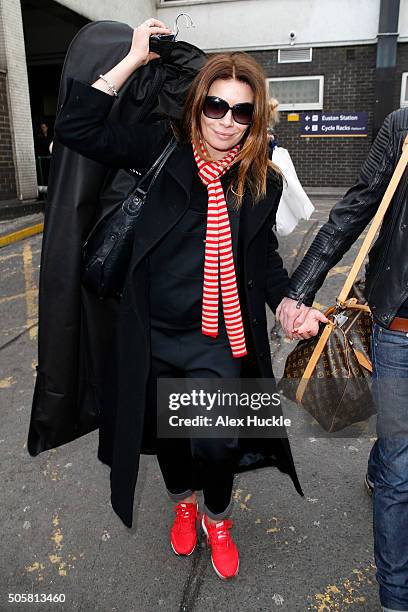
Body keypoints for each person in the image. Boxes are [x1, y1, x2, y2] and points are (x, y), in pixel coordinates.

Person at [51, 18, 302, 580]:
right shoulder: (161, 151)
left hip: (218, 340)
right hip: (151, 334)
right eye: (216, 106)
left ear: (254, 119)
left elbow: (263, 261)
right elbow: (76, 125)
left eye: (241, 112)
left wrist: (286, 302)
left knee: (218, 443)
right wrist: (134, 59)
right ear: (197, 106)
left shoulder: (263, 180)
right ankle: (184, 503)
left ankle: (217, 513)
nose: (227, 122)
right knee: (169, 442)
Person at [277, 107, 408, 611]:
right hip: (400, 329)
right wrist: (298, 291)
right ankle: (397, 600)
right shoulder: (402, 128)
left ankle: (379, 465)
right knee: (402, 472)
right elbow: (352, 213)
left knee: (395, 455)